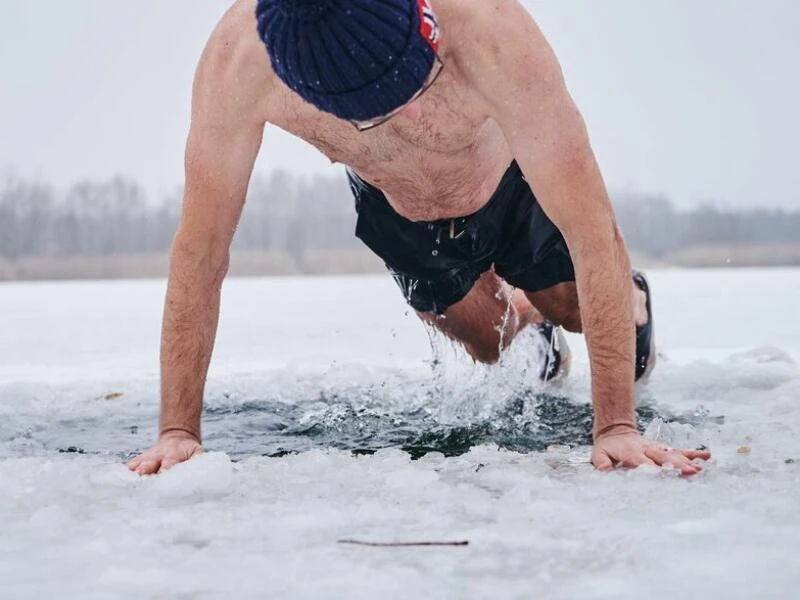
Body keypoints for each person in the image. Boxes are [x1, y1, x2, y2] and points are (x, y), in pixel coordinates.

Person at [128, 0, 711, 476]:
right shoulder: (240, 61)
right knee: (489, 341)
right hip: (396, 206)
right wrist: (177, 432)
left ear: (424, 26)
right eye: (374, 115)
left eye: (410, 92)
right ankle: (529, 323)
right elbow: (201, 254)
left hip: (507, 181)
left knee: (575, 305)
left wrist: (615, 428)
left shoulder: (494, 34)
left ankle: (625, 300)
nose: (403, 119)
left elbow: (593, 237)